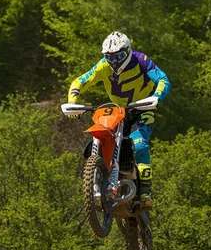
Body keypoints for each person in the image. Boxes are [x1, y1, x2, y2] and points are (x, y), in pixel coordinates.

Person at [67, 31, 171, 208]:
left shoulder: (141, 60)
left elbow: (163, 79)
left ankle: (146, 190)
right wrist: (72, 102)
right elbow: (80, 81)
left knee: (139, 144)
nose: (114, 61)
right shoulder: (103, 66)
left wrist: (157, 96)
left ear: (128, 51)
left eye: (119, 56)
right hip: (117, 111)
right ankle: (100, 176)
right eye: (109, 57)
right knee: (103, 135)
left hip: (142, 109)